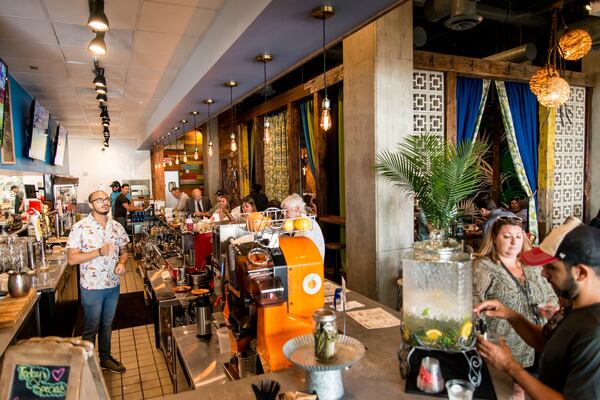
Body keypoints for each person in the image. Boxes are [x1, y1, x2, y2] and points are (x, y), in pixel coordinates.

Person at [475, 217, 600, 399]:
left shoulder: (594, 332)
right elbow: (545, 342)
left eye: (552, 268)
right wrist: (511, 315)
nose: (543, 273)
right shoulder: (575, 307)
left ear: (580, 272)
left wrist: (510, 366)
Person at [473, 216, 557, 398]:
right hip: (507, 344)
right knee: (516, 391)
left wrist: (551, 308)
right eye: (507, 236)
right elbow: (474, 305)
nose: (513, 242)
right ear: (494, 238)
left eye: (518, 237)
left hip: (541, 337)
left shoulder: (533, 265)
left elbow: (551, 293)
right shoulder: (484, 267)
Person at [66, 190, 129, 374]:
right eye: (99, 200)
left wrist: (122, 262)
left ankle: (105, 358)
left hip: (112, 285)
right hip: (92, 287)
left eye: (106, 200)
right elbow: (72, 259)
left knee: (107, 325)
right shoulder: (80, 227)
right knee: (91, 326)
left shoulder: (117, 227)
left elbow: (124, 250)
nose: (105, 203)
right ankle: (85, 363)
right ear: (91, 204)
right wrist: (98, 252)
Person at [281, 193, 325, 261]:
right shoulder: (296, 223)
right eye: (283, 210)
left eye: (286, 211)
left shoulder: (307, 225)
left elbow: (303, 248)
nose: (283, 213)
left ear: (297, 210)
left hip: (311, 262)